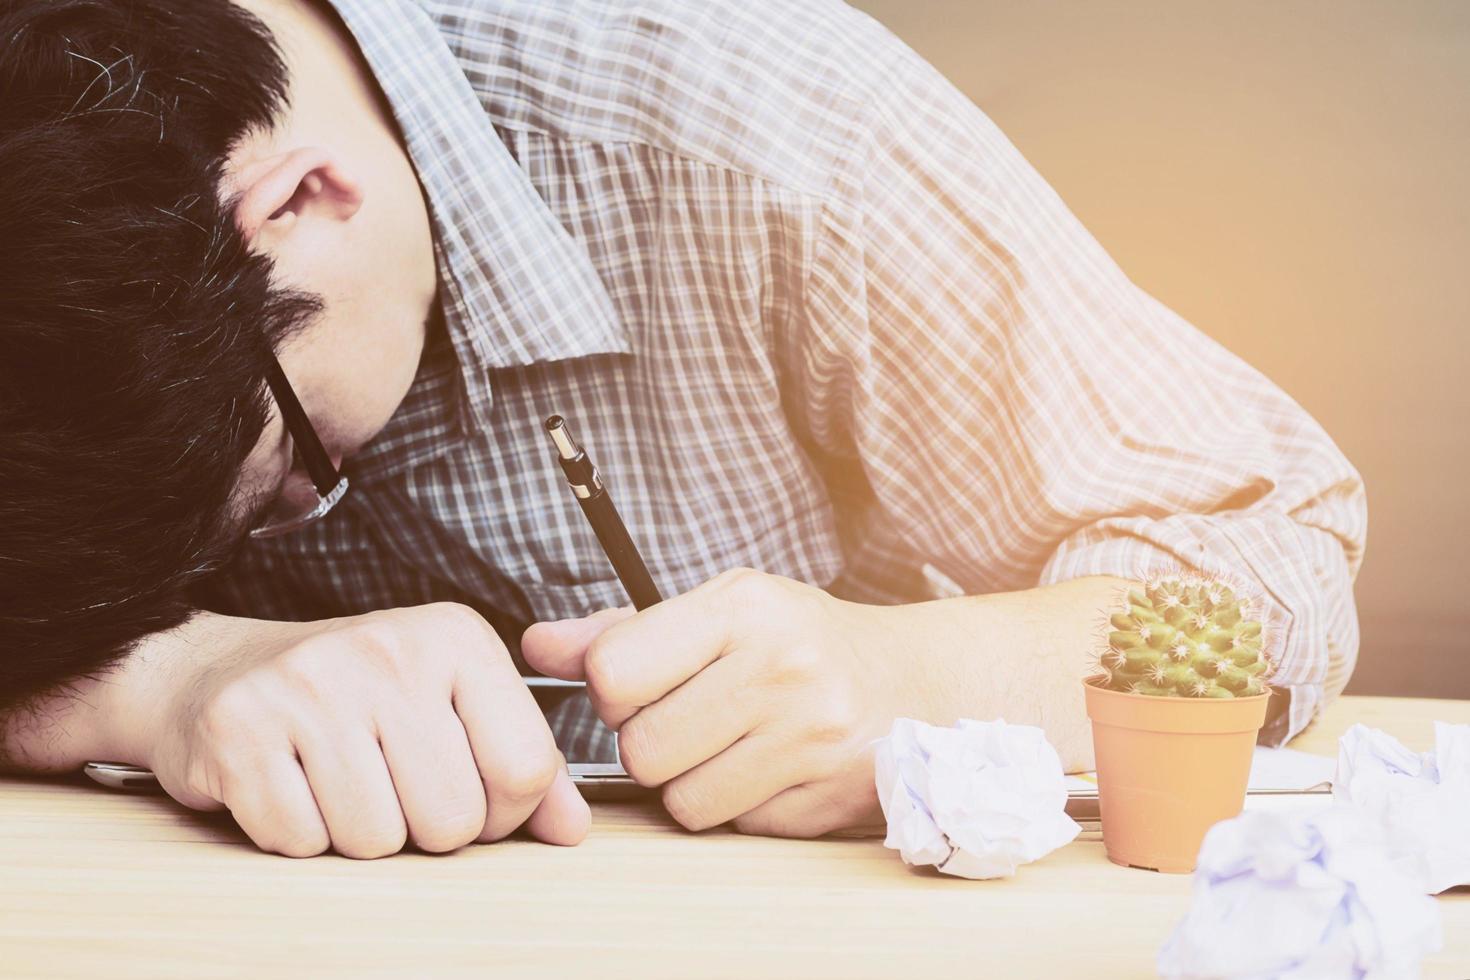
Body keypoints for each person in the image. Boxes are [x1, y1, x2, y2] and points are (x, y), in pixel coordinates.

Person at [0, 0, 1366, 859]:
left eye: (285, 476)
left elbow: (1272, 552)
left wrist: (923, 671)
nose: (290, 523)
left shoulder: (761, 123)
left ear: (307, 199)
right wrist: (154, 674)